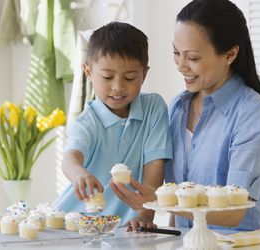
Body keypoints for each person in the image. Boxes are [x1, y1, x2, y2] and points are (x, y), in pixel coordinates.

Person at [111, 0, 260, 232]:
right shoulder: (178, 107)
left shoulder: (254, 114)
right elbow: (177, 195)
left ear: (230, 54)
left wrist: (157, 201)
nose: (181, 65)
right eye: (176, 53)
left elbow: (235, 212)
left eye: (193, 58)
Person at [53, 21, 173, 227]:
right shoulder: (87, 121)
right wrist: (79, 174)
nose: (117, 87)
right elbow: (70, 158)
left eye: (129, 77)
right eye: (107, 77)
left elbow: (154, 165)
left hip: (124, 228)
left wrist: (144, 216)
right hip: (74, 224)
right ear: (89, 73)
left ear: (144, 75)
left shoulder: (153, 108)